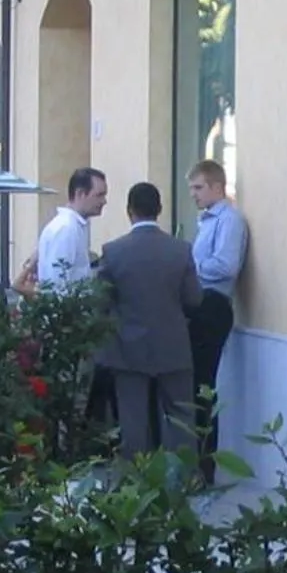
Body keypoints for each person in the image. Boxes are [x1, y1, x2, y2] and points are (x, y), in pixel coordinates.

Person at [96, 181, 201, 457]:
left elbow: (99, 301)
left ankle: (137, 486)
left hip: (127, 347)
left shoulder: (113, 251)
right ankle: (182, 483)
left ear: (129, 211)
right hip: (173, 344)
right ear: (160, 210)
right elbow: (194, 299)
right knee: (181, 419)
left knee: (133, 421)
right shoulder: (181, 250)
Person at [186, 159, 248, 484]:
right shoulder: (207, 221)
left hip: (213, 304)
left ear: (216, 187)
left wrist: (189, 267)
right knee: (194, 385)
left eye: (198, 188)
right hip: (199, 303)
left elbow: (225, 266)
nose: (193, 195)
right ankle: (195, 461)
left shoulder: (229, 220)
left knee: (203, 386)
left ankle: (205, 467)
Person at [22, 167, 108, 294]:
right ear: (80, 194)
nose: (104, 201)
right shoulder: (66, 229)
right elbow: (56, 283)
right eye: (99, 195)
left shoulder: (72, 227)